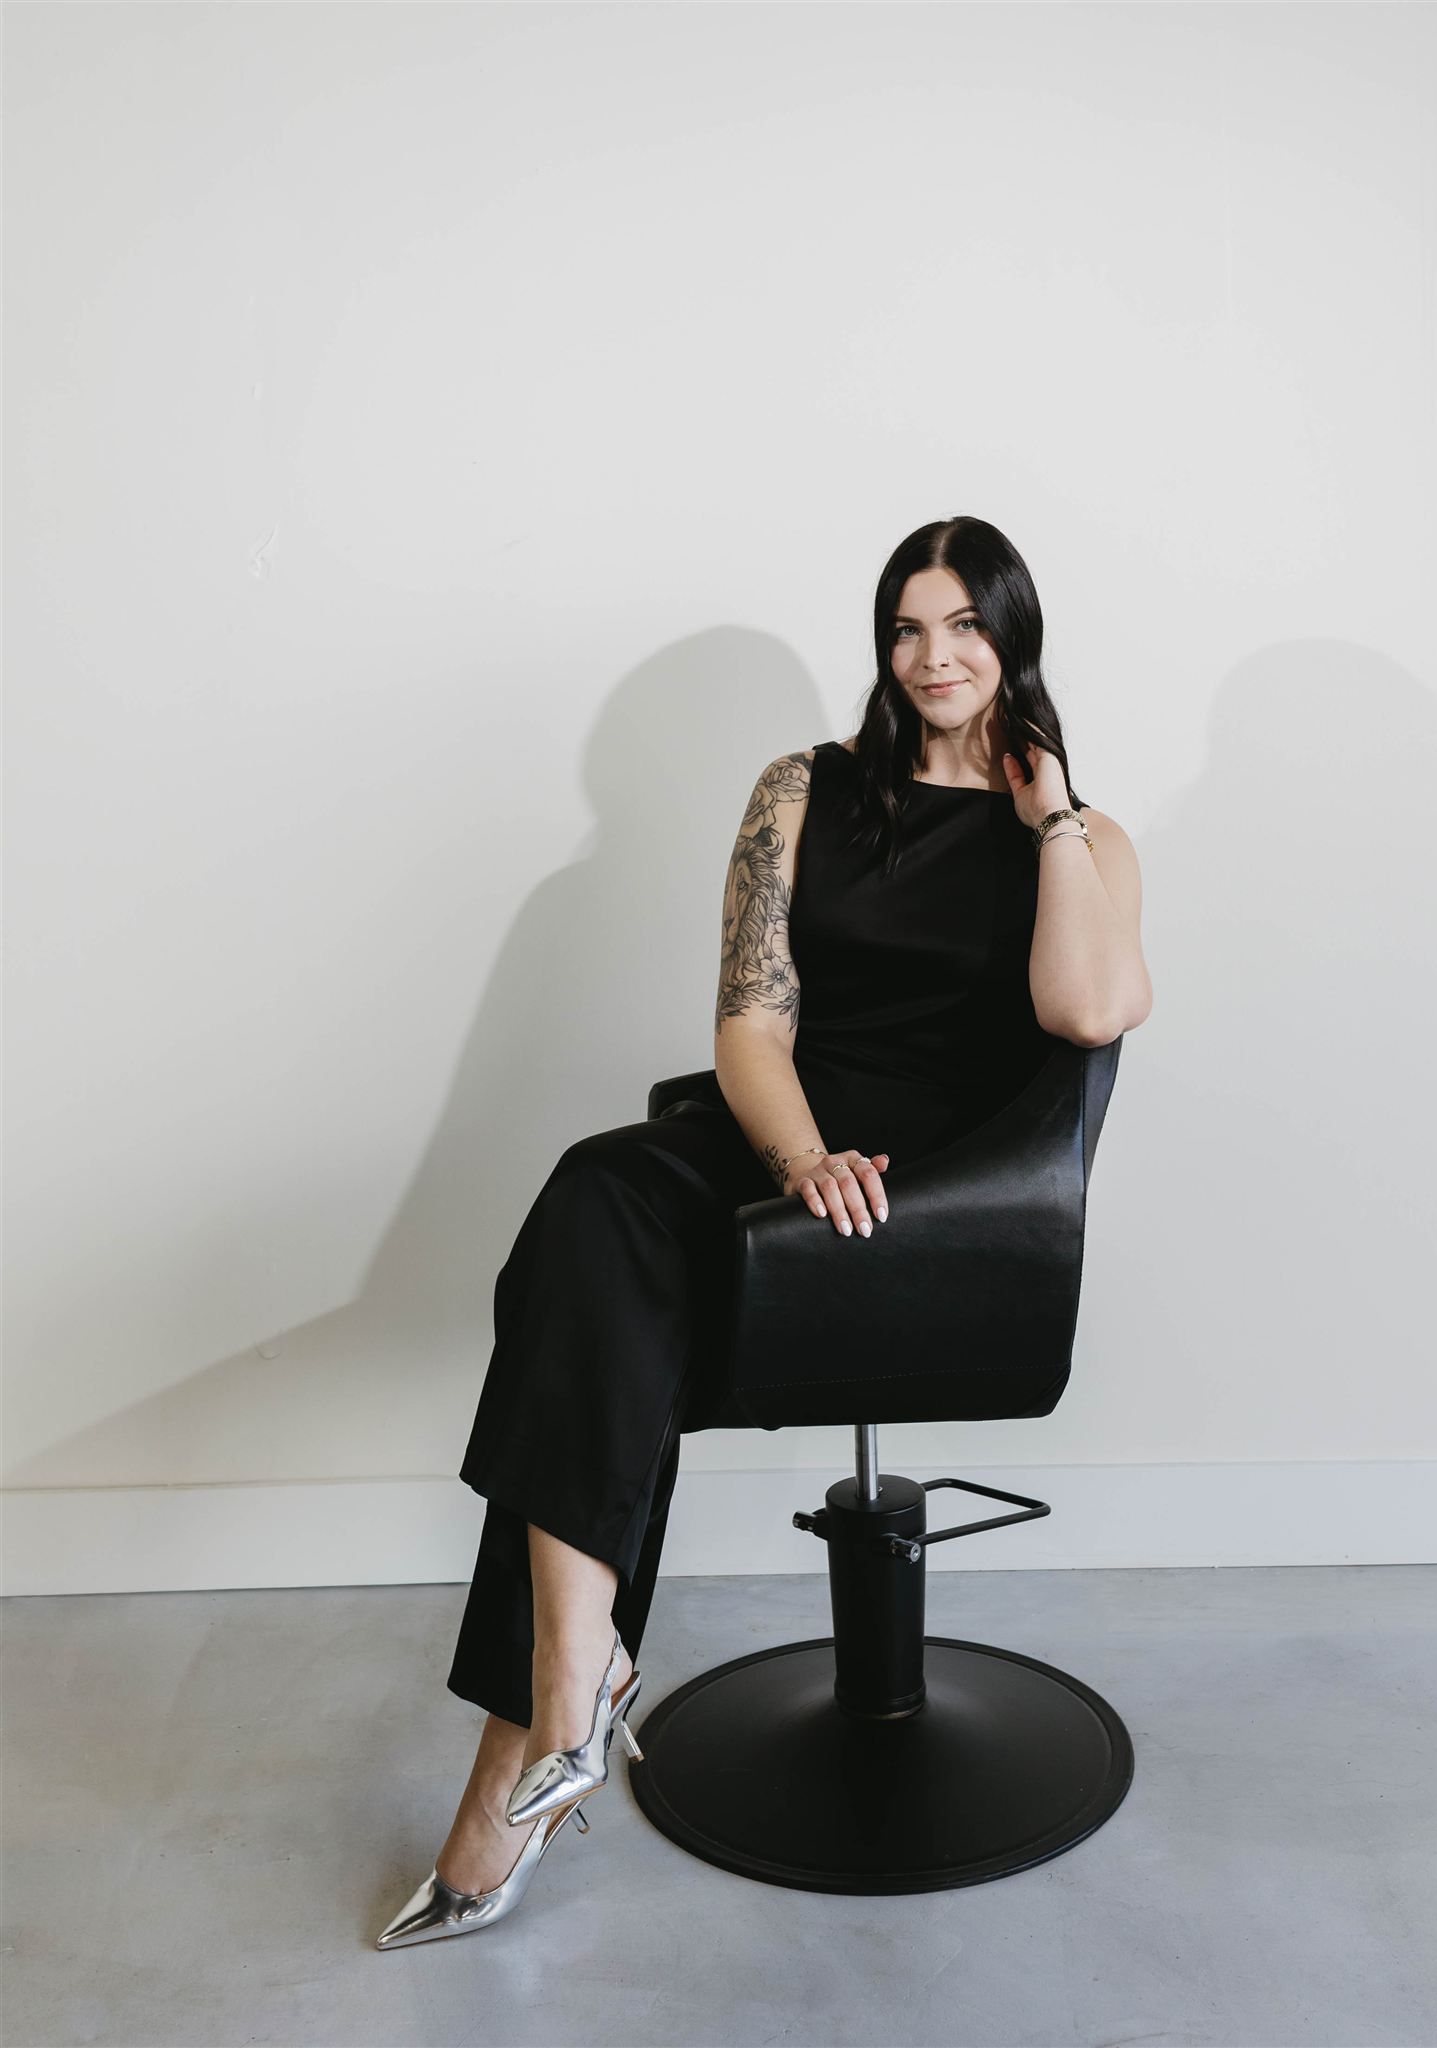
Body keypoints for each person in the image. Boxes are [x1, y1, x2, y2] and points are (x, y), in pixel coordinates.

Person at [375, 514, 1151, 1947]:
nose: (933, 658)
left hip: (938, 1196)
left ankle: (516, 1771)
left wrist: (1044, 810)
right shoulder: (804, 789)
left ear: (1010, 638)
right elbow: (748, 1021)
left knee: (602, 1311)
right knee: (591, 1208)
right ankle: (569, 1683)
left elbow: (1089, 1011)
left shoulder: (1083, 838)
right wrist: (793, 1155)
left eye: (965, 627)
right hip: (785, 1143)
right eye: (908, 628)